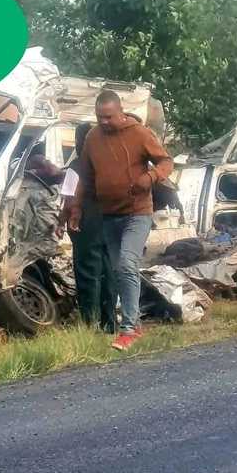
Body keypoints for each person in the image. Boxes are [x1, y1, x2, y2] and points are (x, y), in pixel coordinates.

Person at [66, 90, 173, 351]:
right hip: (109, 215)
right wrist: (77, 208)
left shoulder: (139, 134)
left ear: (120, 112)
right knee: (118, 270)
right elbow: (86, 178)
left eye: (108, 117)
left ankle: (128, 329)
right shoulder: (93, 138)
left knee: (126, 264)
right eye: (99, 117)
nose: (103, 121)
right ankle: (132, 322)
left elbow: (165, 161)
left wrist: (150, 177)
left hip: (137, 212)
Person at [57, 122, 117, 333]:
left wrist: (60, 222)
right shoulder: (109, 163)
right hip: (110, 224)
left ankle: (90, 326)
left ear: (78, 141)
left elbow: (69, 198)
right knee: (109, 273)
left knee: (88, 274)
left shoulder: (76, 166)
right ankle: (110, 325)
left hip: (85, 225)